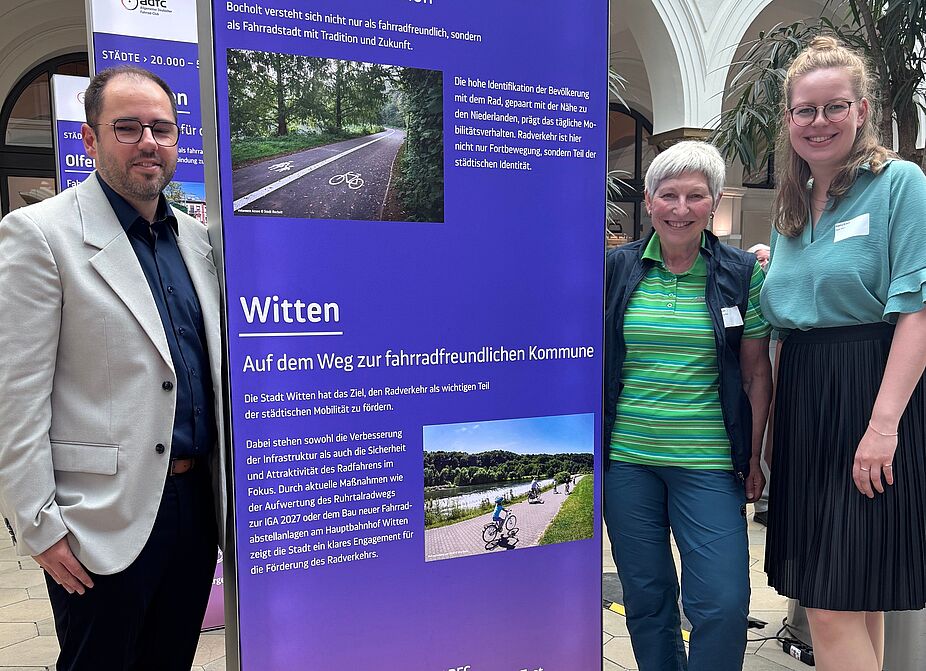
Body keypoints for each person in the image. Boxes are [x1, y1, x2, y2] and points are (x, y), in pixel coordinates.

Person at [0, 66, 225, 671]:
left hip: (195, 509)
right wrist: (38, 525)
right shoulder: (40, 235)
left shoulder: (197, 242)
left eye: (162, 129)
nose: (148, 142)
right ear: (90, 139)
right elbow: (14, 395)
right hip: (99, 517)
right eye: (127, 128)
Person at [761, 36, 926, 671]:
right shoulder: (790, 206)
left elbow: (917, 311)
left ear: (862, 110)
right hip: (805, 395)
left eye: (835, 106)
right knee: (853, 593)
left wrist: (882, 427)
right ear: (789, 120)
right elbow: (786, 322)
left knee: (831, 604)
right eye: (805, 110)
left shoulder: (898, 183)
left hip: (869, 390)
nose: (819, 121)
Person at [603, 140, 772, 671]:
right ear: (649, 201)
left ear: (715, 202)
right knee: (647, 598)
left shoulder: (741, 273)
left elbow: (755, 374)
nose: (681, 209)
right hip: (627, 461)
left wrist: (753, 458)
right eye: (668, 195)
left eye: (696, 196)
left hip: (709, 463)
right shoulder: (615, 269)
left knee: (722, 601)